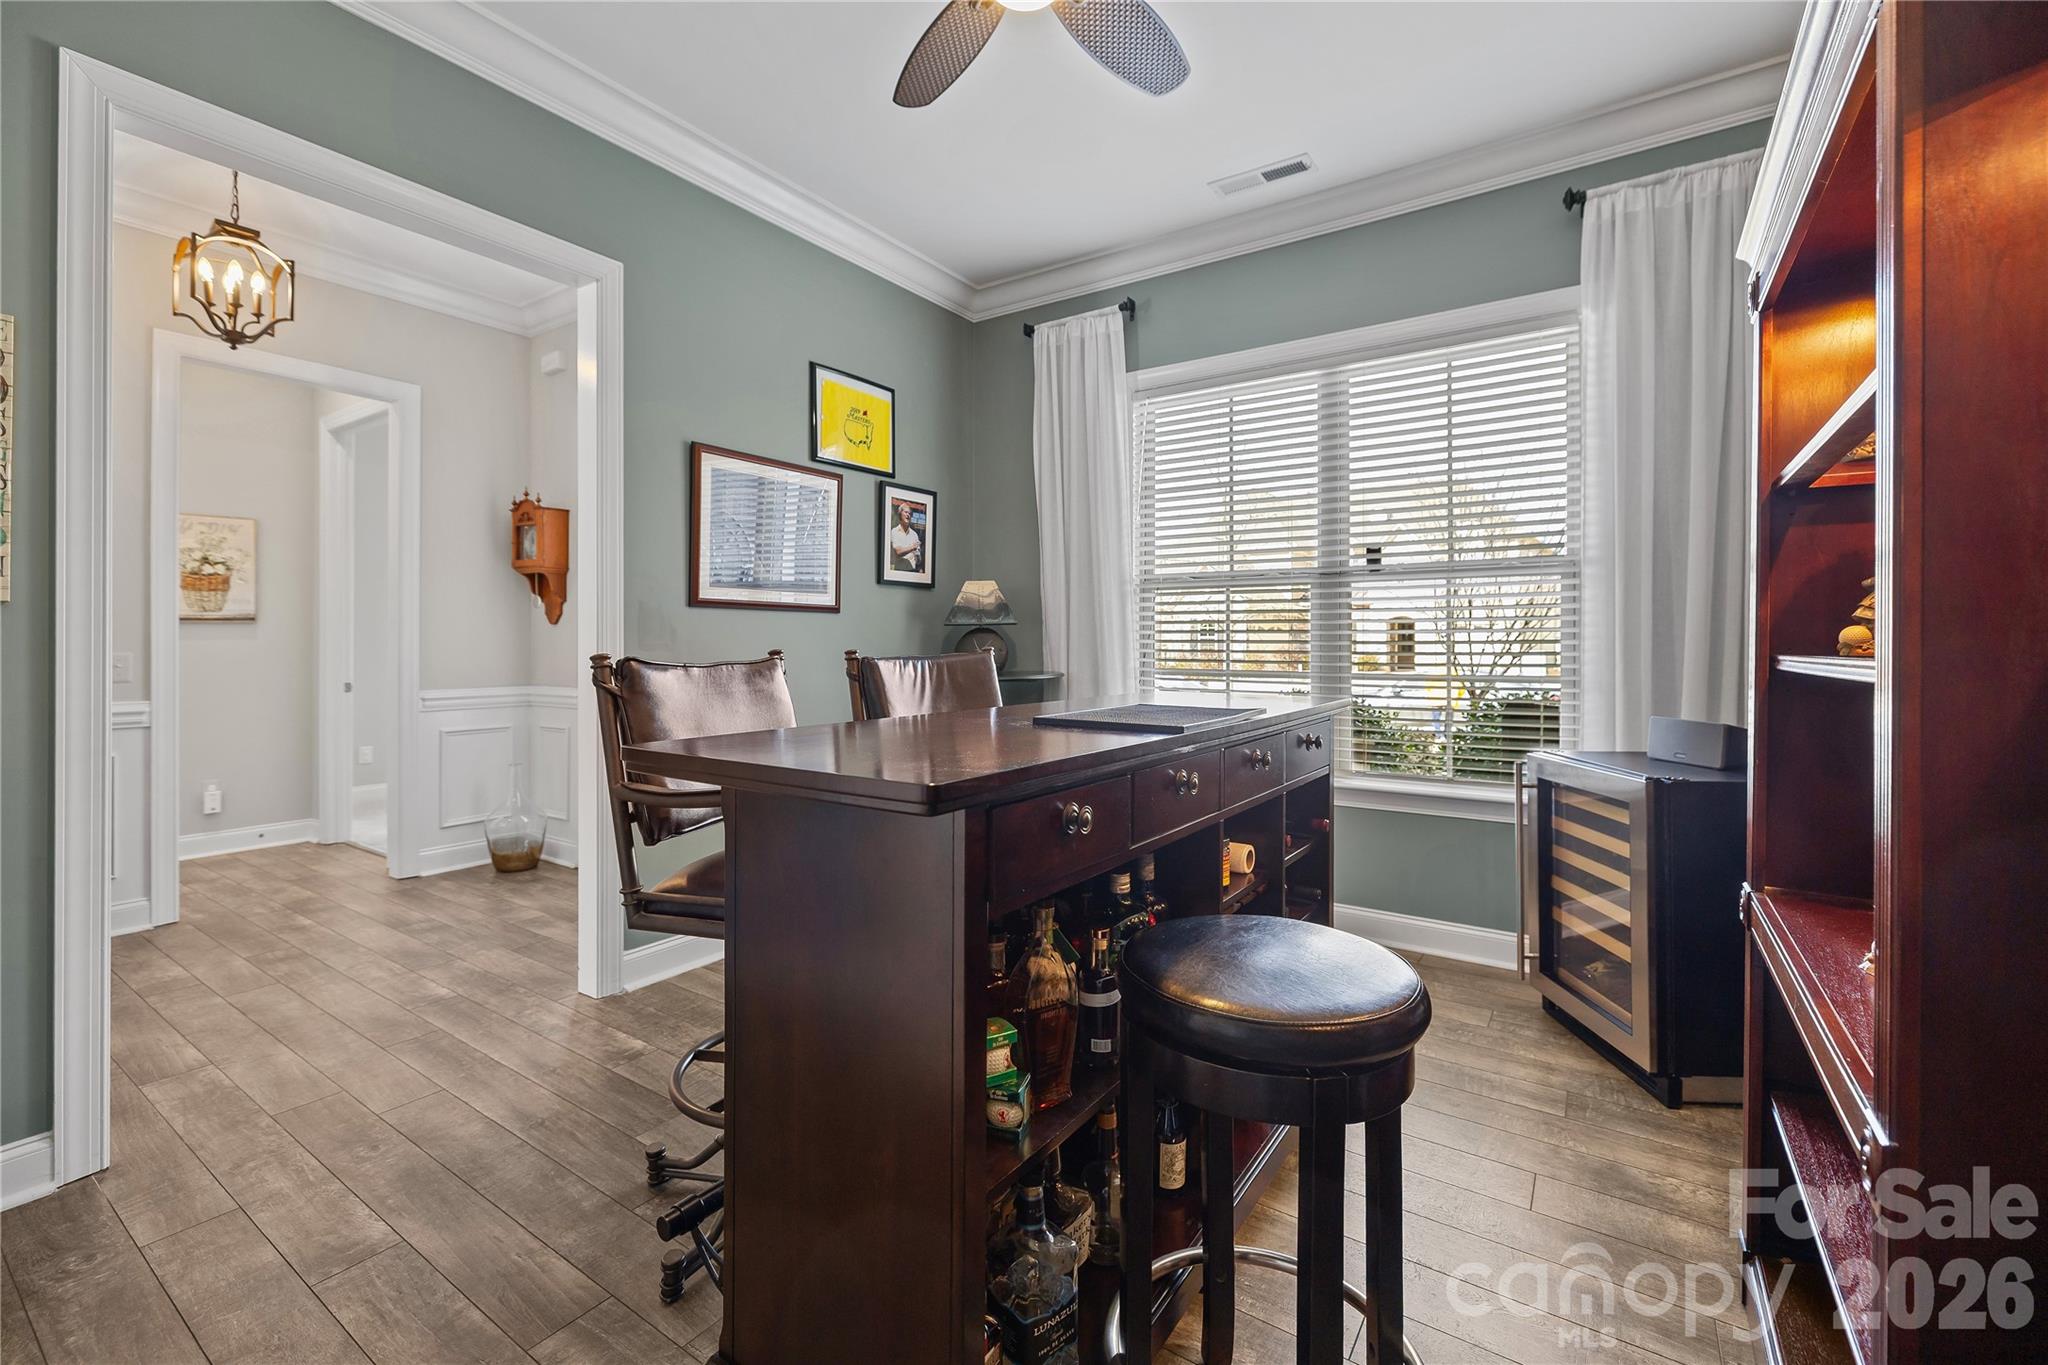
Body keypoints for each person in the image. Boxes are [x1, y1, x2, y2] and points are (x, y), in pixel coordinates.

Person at [888, 500, 924, 574]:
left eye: (910, 513)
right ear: (900, 514)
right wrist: (912, 547)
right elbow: (898, 552)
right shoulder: (894, 531)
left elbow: (918, 559)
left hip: (912, 573)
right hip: (899, 573)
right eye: (906, 512)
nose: (908, 515)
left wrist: (918, 556)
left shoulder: (914, 534)